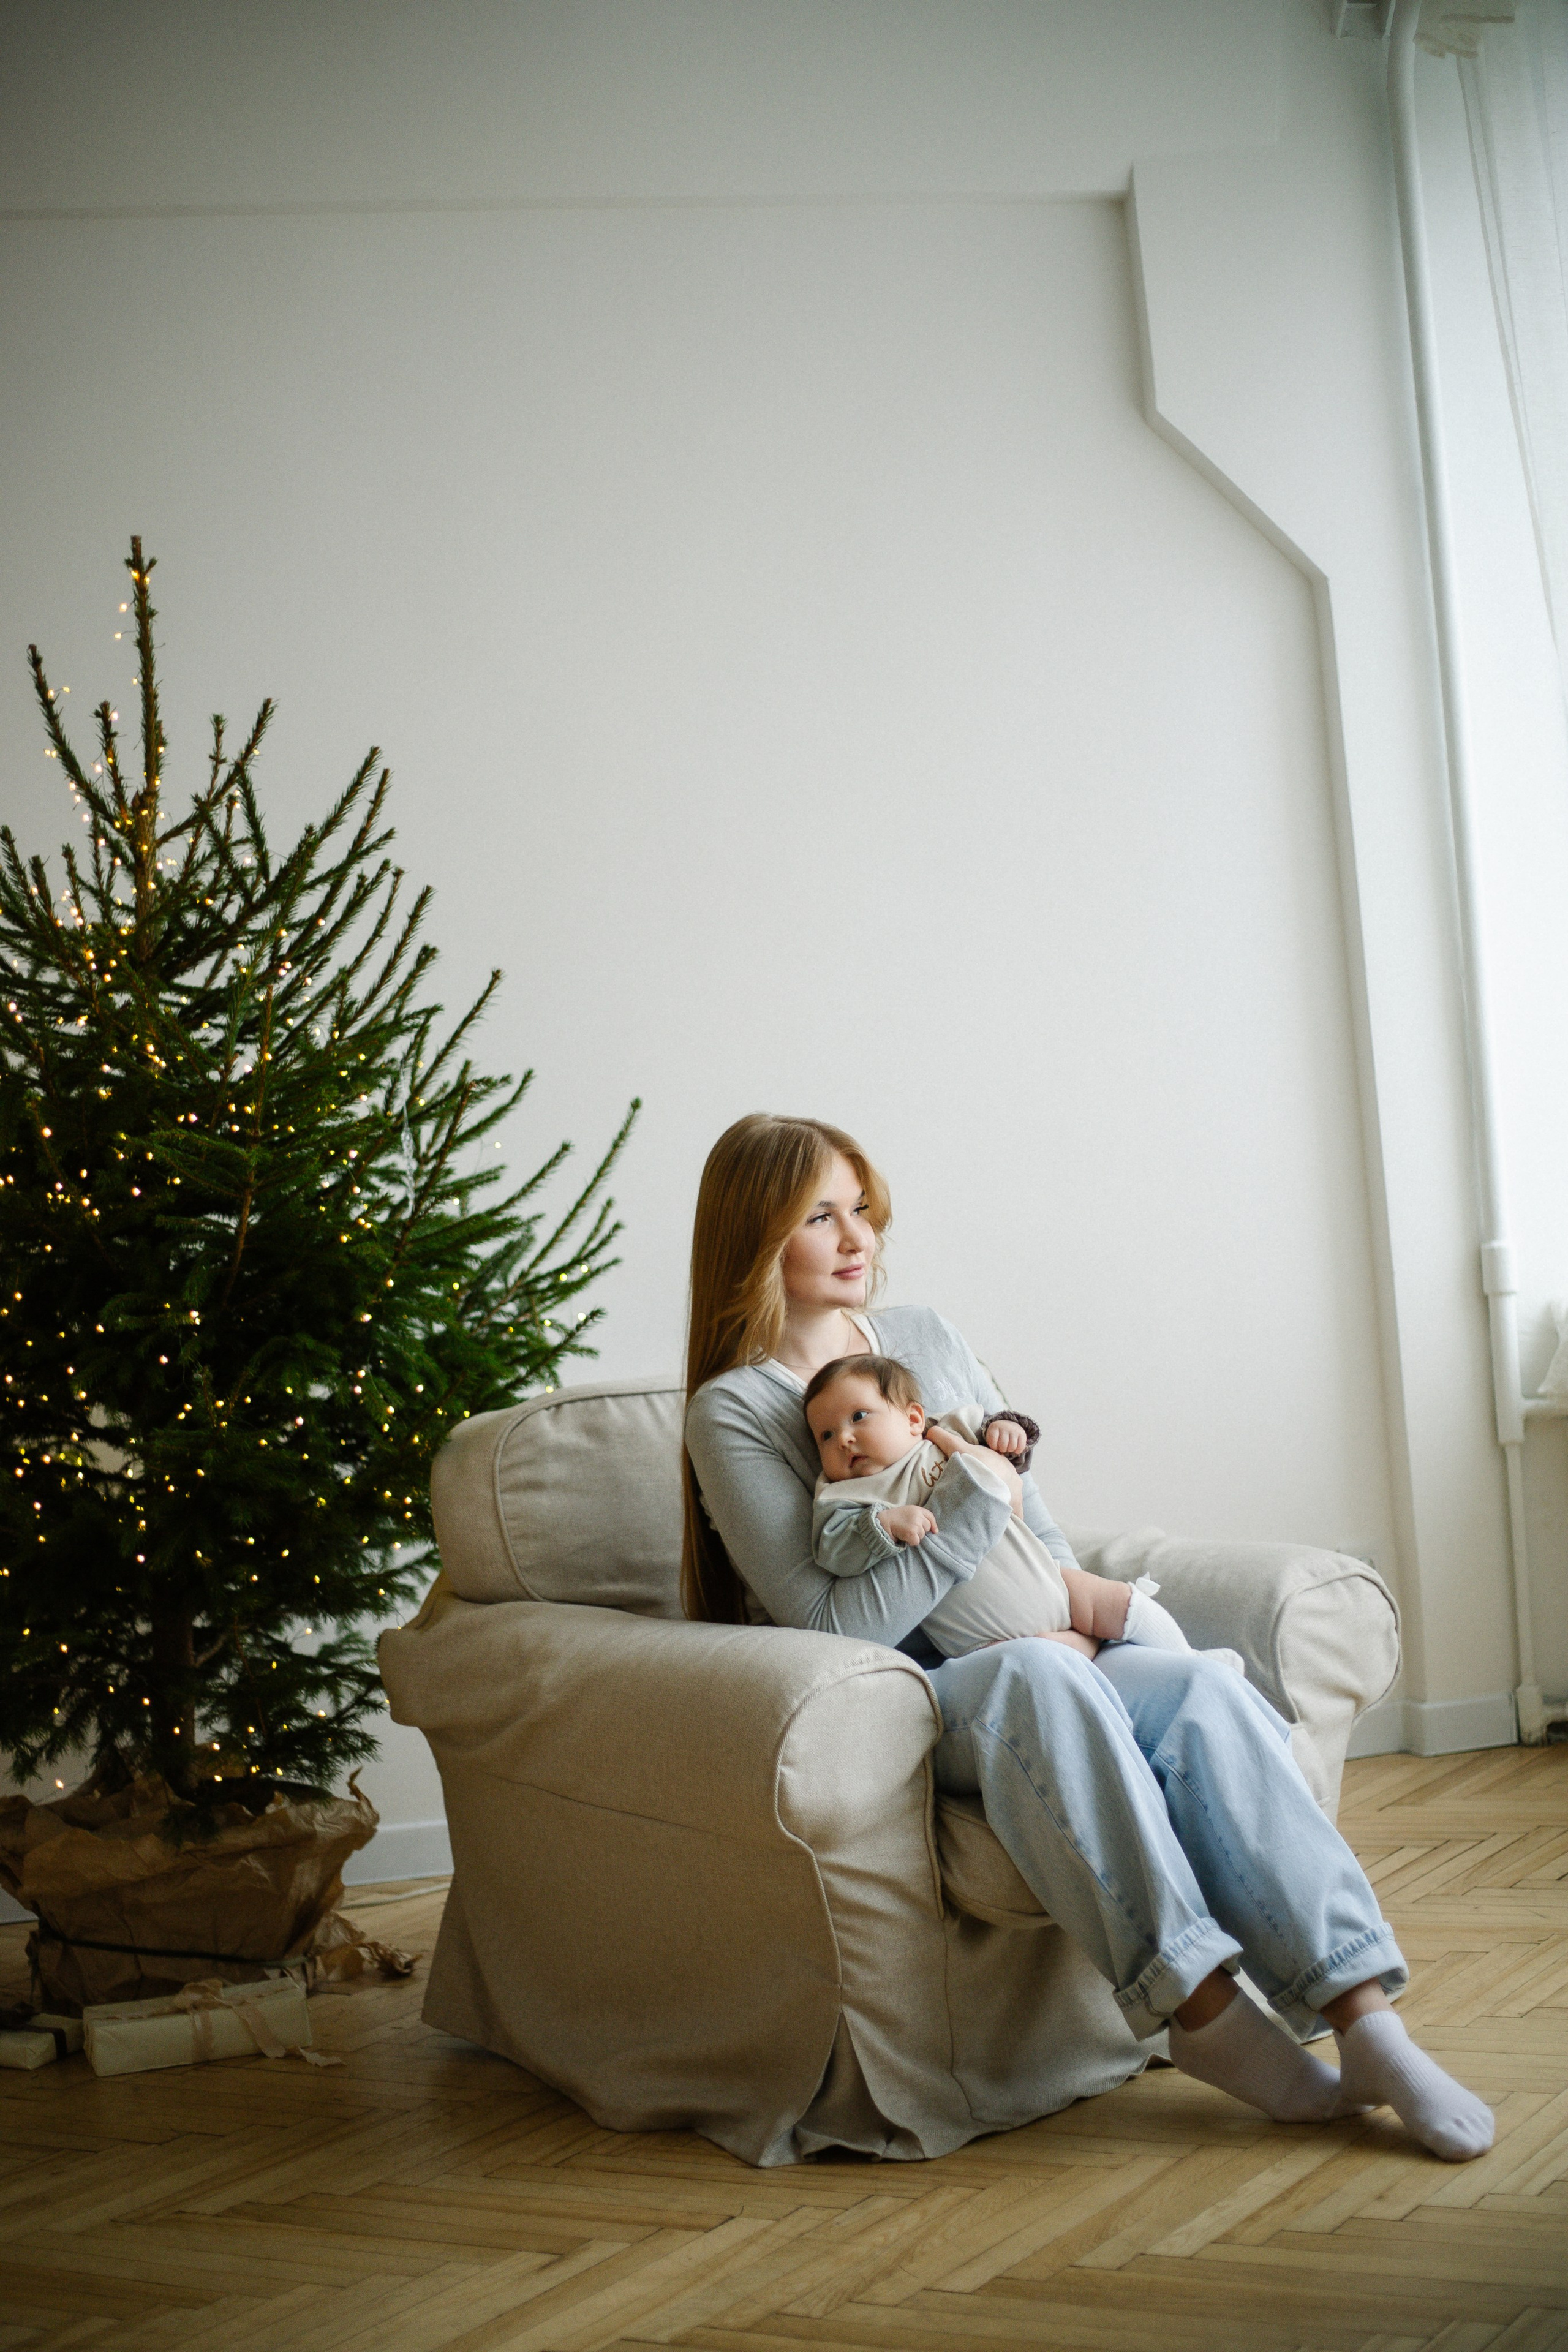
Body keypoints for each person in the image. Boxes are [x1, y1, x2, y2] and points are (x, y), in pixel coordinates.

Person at [682, 1112, 1494, 2162]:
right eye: (820, 1217)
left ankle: (1367, 2023)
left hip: (1037, 1649)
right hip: (911, 1697)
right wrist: (981, 1518)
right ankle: (1202, 2013)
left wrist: (1073, 1615)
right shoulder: (735, 1410)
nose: (858, 1238)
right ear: (757, 1238)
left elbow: (1039, 1524)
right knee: (1034, 1673)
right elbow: (835, 1622)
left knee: (1199, 1689)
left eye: (862, 1209)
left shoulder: (923, 1337)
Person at [805, 1351, 1231, 1665]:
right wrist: (881, 1525)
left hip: (1048, 1579)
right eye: (825, 1435)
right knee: (1040, 1664)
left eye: (859, 1417)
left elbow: (1002, 1443)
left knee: (1122, 1601)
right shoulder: (844, 1495)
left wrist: (1007, 1431)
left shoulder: (948, 1431)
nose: (844, 1439)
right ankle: (1090, 1658)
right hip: (984, 1640)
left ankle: (1192, 1660)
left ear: (914, 1419)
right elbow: (833, 1549)